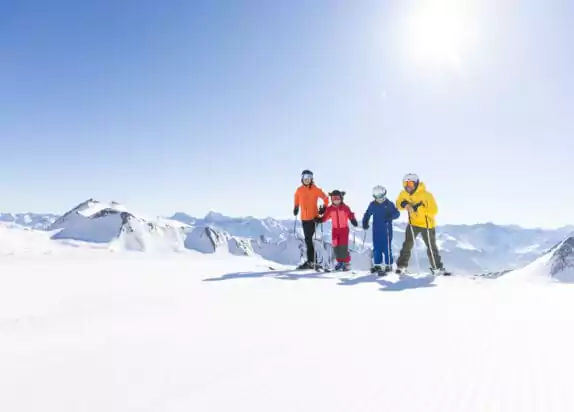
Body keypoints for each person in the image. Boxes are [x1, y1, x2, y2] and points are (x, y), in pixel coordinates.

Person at [395, 173, 450, 275]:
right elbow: (398, 203)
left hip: (427, 224)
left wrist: (420, 209)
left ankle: (437, 267)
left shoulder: (426, 195)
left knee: (431, 246)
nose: (408, 187)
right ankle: (401, 266)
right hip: (413, 223)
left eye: (410, 184)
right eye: (405, 184)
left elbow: (434, 211)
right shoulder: (404, 194)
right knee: (407, 244)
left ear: (416, 184)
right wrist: (405, 204)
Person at [293, 169, 329, 269]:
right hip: (304, 218)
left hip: (314, 218)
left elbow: (326, 198)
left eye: (309, 177)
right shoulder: (299, 190)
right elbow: (296, 197)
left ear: (312, 179)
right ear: (302, 178)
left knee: (308, 239)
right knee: (308, 239)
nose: (307, 179)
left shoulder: (315, 189)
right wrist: (296, 207)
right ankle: (312, 261)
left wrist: (324, 207)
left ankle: (311, 262)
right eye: (305, 177)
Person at [362, 185, 400, 275]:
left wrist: (391, 216)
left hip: (386, 230)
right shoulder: (373, 205)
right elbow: (367, 214)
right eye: (377, 197)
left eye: (381, 197)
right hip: (376, 230)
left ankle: (388, 265)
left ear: (384, 195)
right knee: (377, 248)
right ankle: (377, 265)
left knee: (387, 248)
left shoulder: (389, 204)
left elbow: (397, 213)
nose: (379, 199)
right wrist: (365, 222)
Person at [316, 190, 358, 271]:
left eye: (338, 198)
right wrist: (320, 219)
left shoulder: (345, 208)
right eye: (334, 198)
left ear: (341, 199)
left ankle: (346, 263)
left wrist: (353, 220)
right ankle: (340, 262)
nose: (336, 200)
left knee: (343, 246)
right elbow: (326, 217)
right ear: (331, 199)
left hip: (344, 230)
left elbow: (350, 214)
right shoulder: (330, 209)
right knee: (336, 245)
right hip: (335, 230)